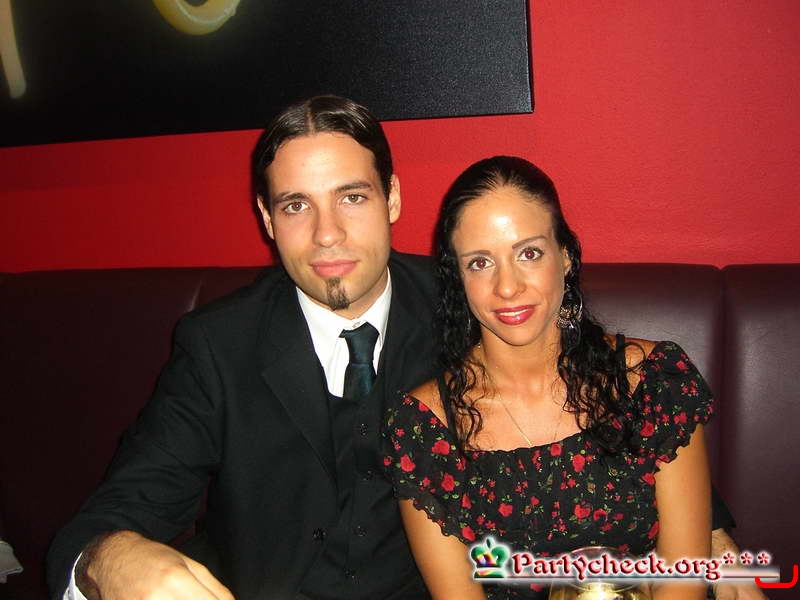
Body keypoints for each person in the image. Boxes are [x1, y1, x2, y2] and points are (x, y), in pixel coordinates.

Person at [46, 97, 759, 600]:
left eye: (351, 197)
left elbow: (594, 382)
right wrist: (112, 559)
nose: (327, 234)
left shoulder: (472, 298)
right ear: (266, 218)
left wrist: (709, 529)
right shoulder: (216, 347)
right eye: (296, 205)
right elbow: (117, 510)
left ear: (391, 198)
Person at [381, 156, 749, 600]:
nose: (507, 287)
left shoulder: (654, 382)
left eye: (529, 253)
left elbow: (681, 585)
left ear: (566, 256)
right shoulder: (424, 428)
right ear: (458, 278)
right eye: (480, 262)